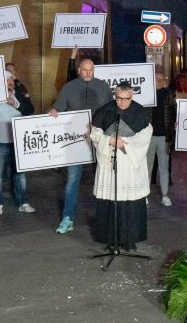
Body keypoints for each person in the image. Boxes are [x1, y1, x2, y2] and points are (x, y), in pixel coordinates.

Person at [48, 56, 112, 234]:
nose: (88, 73)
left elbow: (110, 110)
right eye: (85, 70)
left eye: (91, 70)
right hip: (75, 141)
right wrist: (53, 110)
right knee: (72, 180)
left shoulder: (103, 87)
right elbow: (59, 106)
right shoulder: (69, 88)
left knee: (103, 179)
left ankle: (105, 218)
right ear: (78, 71)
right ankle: (67, 218)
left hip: (98, 139)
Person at [88, 82, 152, 250]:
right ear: (114, 96)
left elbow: (146, 134)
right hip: (110, 161)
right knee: (111, 201)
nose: (122, 103)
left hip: (130, 163)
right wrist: (108, 140)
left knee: (130, 203)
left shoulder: (139, 112)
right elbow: (95, 133)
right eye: (119, 99)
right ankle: (111, 240)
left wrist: (124, 143)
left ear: (132, 96)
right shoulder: (106, 110)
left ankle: (129, 239)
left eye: (126, 99)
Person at [0, 72, 35, 215]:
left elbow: (30, 110)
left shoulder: (20, 95)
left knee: (20, 175)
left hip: (18, 143)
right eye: (8, 80)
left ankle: (23, 202)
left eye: (12, 81)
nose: (11, 83)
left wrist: (15, 103)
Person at [147, 71, 176, 207]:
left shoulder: (168, 94)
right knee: (147, 167)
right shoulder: (147, 95)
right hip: (149, 137)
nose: (158, 81)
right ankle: (144, 195)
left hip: (164, 137)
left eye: (160, 78)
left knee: (164, 167)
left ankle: (165, 195)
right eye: (155, 78)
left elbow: (175, 111)